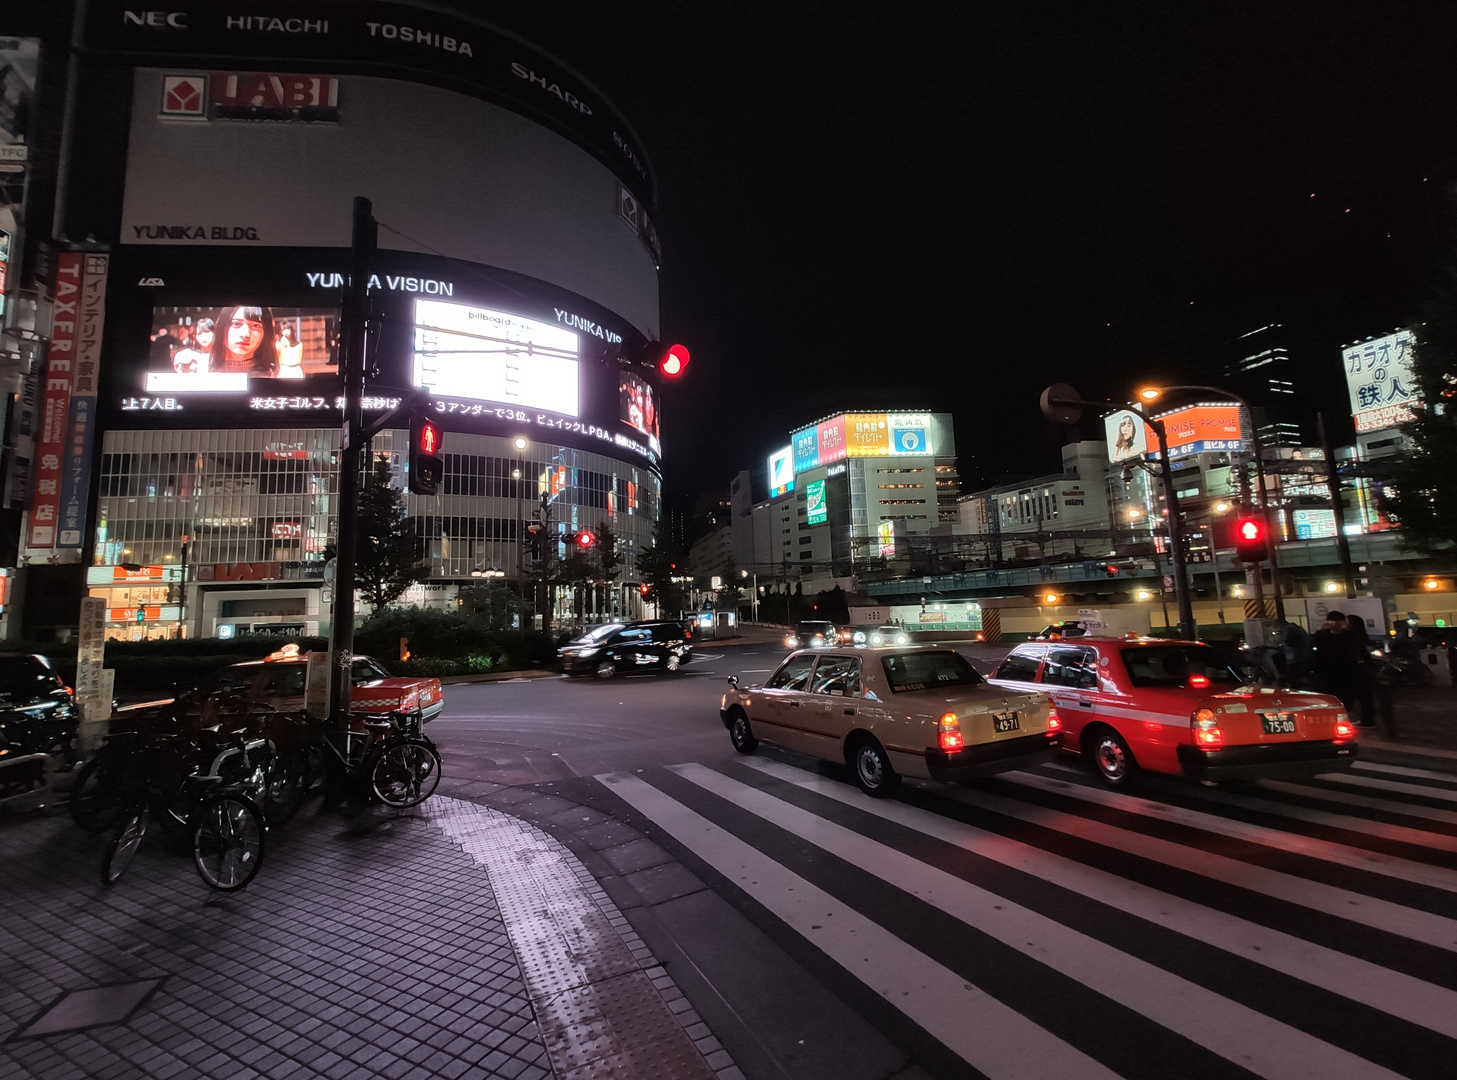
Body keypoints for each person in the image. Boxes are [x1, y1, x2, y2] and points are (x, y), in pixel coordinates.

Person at [1309, 611, 1365, 716]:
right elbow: (1312, 645)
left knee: (1346, 695)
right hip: (1327, 671)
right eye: (1332, 620)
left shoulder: (1350, 636)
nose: (1334, 623)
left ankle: (1344, 715)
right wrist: (1318, 631)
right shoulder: (1322, 635)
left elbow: (1361, 651)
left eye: (1338, 621)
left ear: (1343, 622)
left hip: (1346, 670)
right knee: (1329, 694)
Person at [210, 305, 278, 376]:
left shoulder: (276, 375)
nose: (245, 334)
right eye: (236, 324)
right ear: (222, 327)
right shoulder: (202, 372)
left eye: (256, 326)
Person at [1342, 614, 1379, 727]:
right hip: (1363, 668)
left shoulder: (1351, 636)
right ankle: (1368, 720)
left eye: (1346, 621)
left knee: (1355, 695)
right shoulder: (1361, 635)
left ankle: (1366, 721)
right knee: (1365, 696)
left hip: (1356, 668)